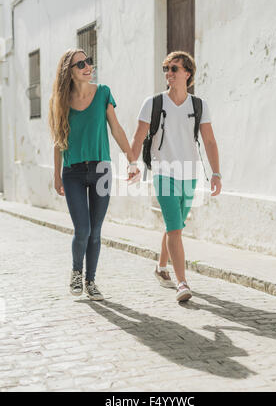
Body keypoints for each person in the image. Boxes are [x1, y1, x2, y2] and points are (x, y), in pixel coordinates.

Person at [131, 51, 222, 302]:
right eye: (166, 69)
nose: (168, 73)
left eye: (174, 68)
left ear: (187, 73)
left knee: (176, 227)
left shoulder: (199, 105)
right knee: (175, 227)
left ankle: (161, 268)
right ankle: (182, 282)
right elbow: (138, 136)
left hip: (189, 174)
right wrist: (132, 163)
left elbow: (210, 141)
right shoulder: (153, 103)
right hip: (163, 172)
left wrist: (216, 173)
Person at [49, 48, 138, 300]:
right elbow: (57, 142)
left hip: (101, 170)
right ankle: (76, 272)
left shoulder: (103, 93)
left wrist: (132, 159)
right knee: (83, 229)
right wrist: (56, 176)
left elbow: (117, 129)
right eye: (81, 64)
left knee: (96, 230)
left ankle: (91, 281)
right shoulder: (60, 101)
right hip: (73, 172)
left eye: (89, 61)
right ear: (69, 71)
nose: (88, 66)